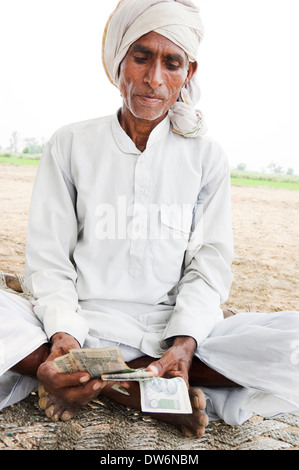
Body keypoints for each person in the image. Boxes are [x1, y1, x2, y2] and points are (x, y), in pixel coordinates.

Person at [0, 0, 298, 438]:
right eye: (141, 57)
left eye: (171, 62)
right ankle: (141, 391)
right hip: (72, 325)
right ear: (119, 62)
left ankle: (93, 379)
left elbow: (210, 265)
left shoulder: (206, 156)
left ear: (188, 73)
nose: (153, 78)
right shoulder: (70, 143)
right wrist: (65, 332)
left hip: (166, 333)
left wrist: (183, 342)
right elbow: (48, 259)